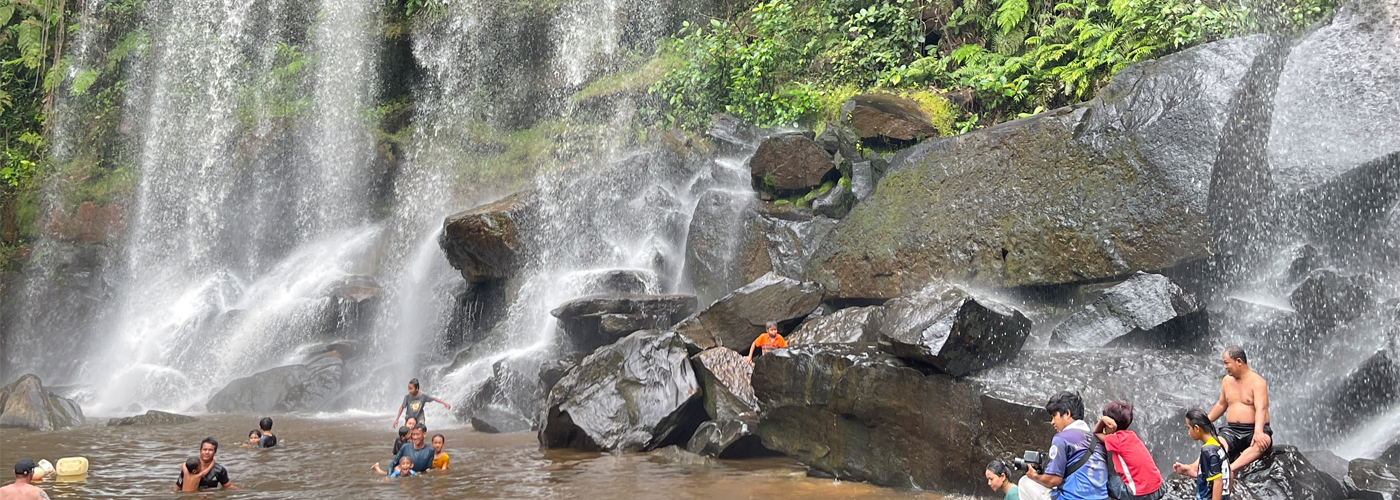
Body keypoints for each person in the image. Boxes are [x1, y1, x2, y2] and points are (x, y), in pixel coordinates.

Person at [1024, 391, 1109, 500]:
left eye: (1054, 416)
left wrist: (1034, 476)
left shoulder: (1061, 438)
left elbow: (1053, 480)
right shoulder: (1098, 440)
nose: (1052, 422)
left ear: (1067, 414)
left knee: (1025, 483)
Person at [1208, 346, 1271, 472]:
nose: (1225, 367)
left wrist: (1258, 432)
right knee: (1214, 444)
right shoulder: (1226, 380)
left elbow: (1261, 408)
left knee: (1263, 442)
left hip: (1253, 429)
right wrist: (1205, 421)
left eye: (1226, 363)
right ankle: (1194, 468)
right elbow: (1221, 404)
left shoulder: (1258, 382)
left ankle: (1231, 468)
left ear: (1238, 361)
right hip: (1231, 430)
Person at [1094, 401, 1163, 500]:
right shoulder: (1132, 435)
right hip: (1159, 487)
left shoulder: (1115, 440)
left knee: (1103, 477)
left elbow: (1096, 433)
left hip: (1141, 495)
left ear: (1110, 425)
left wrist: (1101, 421)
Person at [1173, 409, 1231, 500]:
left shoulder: (1208, 450)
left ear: (1196, 428)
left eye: (1189, 427)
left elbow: (1218, 481)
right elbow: (1230, 473)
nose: (1188, 432)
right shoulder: (1218, 443)